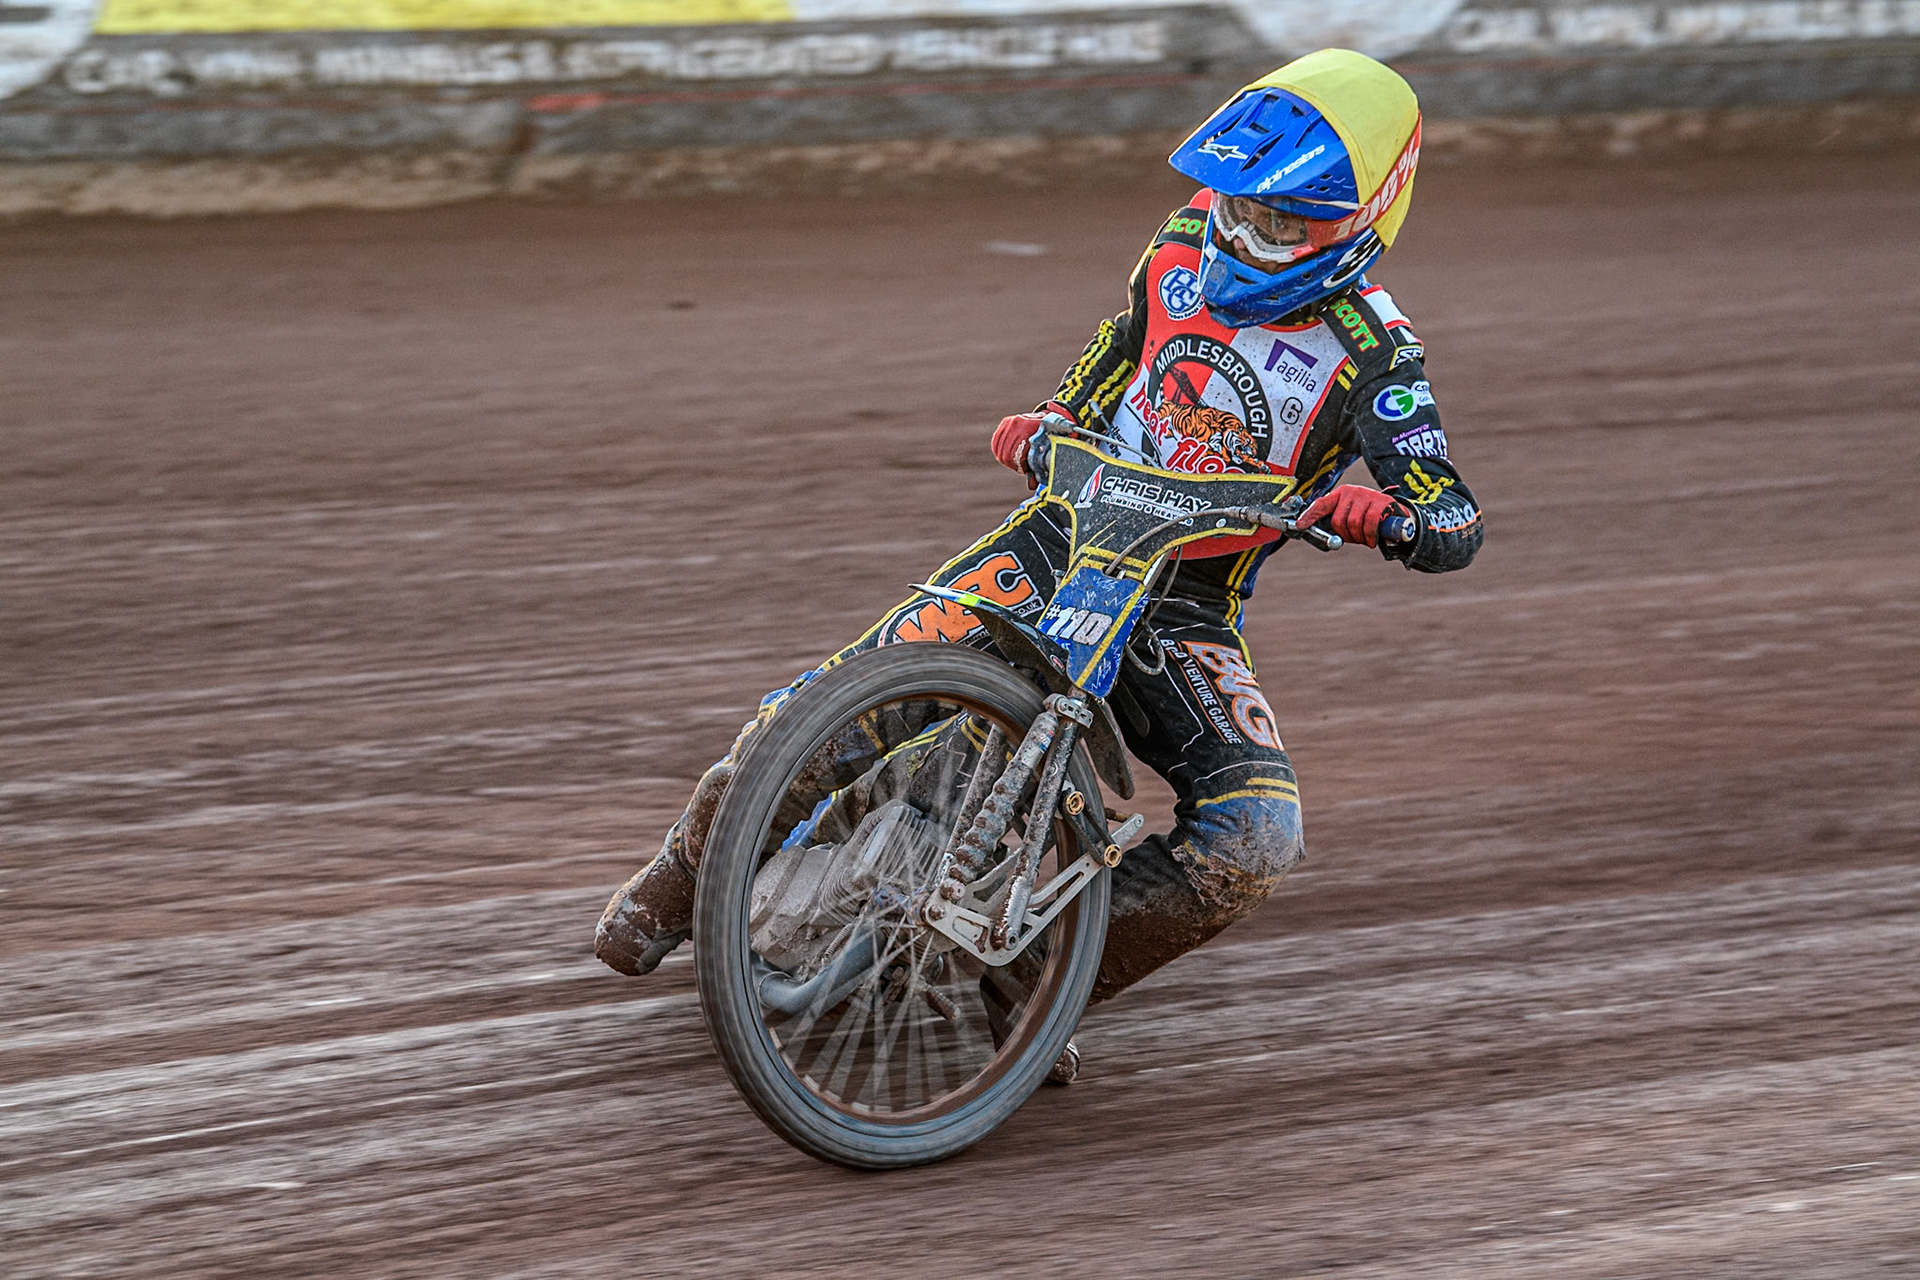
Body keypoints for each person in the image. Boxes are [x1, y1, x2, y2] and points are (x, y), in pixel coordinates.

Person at [594, 49, 1483, 1073]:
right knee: (840, 700)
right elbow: (1122, 346)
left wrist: (1398, 519)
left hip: (1183, 601)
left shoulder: (1377, 349)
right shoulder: (1184, 240)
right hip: (1065, 529)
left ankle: (1041, 981)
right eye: (1235, 207)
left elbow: (1450, 508)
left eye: (1279, 223)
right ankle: (673, 880)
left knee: (1255, 836)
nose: (1241, 234)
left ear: (1368, 219)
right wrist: (1060, 409)